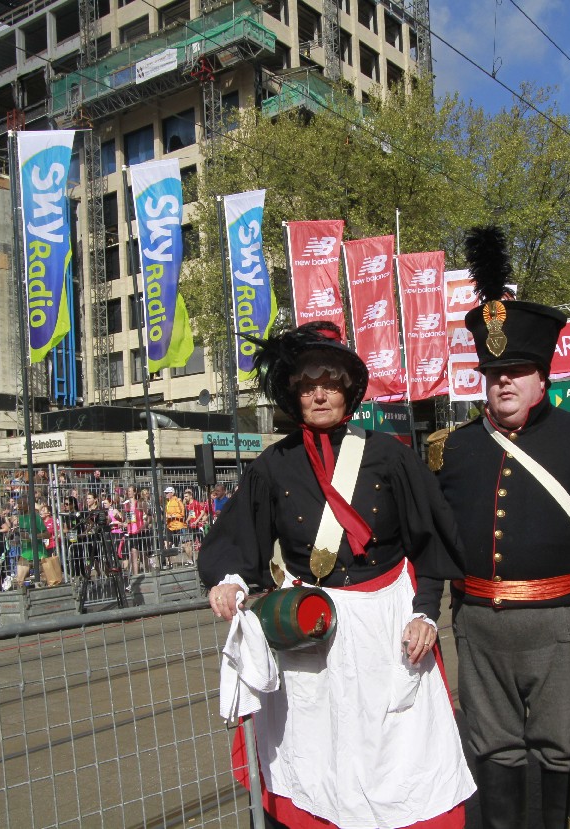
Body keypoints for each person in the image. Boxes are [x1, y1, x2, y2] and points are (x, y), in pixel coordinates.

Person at [199, 320, 474, 829]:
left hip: (385, 621)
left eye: (330, 384)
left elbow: (428, 544)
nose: (320, 394)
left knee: (399, 749)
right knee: (316, 747)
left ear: (348, 391)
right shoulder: (272, 466)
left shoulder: (391, 456)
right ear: (294, 395)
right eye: (308, 386)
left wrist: (424, 613)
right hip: (311, 625)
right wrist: (230, 578)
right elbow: (238, 539)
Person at [433, 228, 570, 829]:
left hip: (559, 623)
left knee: (564, 748)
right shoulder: (456, 448)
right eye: (493, 372)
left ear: (542, 377)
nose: (503, 381)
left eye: (516, 370)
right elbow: (434, 538)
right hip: (477, 625)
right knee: (492, 748)